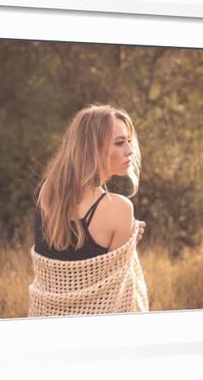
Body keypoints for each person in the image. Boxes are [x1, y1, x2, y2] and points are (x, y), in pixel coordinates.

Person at [28, 103, 149, 317]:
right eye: (120, 143)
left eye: (128, 142)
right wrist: (126, 237)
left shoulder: (48, 190)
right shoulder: (119, 209)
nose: (129, 150)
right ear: (93, 149)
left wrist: (128, 239)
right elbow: (114, 294)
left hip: (43, 326)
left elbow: (73, 259)